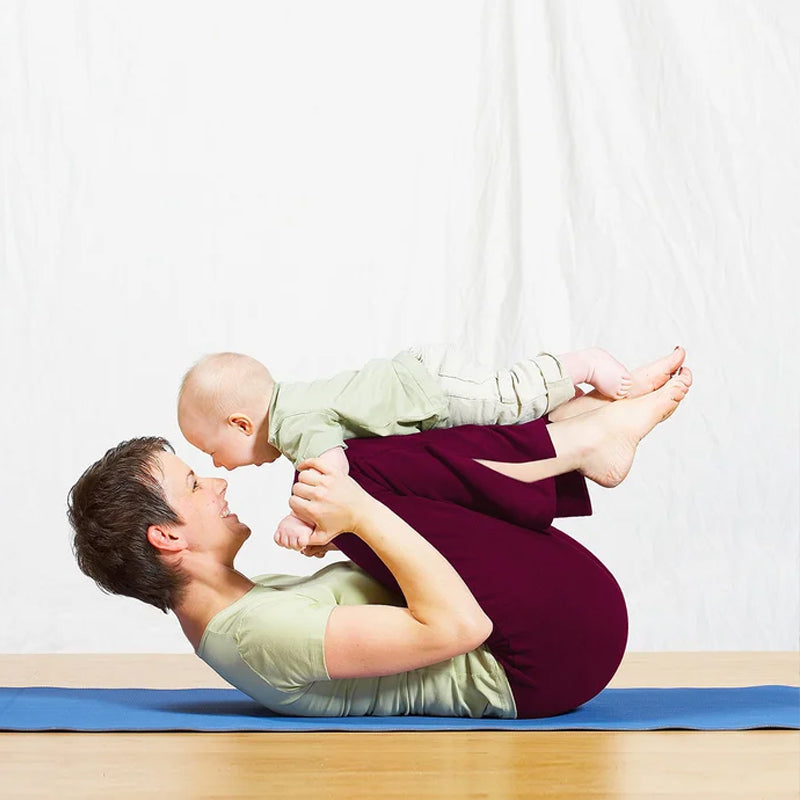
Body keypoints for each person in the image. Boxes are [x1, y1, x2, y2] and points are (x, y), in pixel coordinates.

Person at [68, 347, 691, 719]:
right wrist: (356, 518)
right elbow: (458, 628)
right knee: (347, 470)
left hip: (557, 637)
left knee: (342, 465)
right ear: (166, 538)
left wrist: (344, 528)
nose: (220, 483)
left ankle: (573, 432)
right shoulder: (254, 637)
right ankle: (573, 437)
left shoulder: (247, 610)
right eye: (194, 486)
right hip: (545, 660)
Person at [177, 343, 633, 551]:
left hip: (428, 390)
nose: (220, 466)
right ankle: (582, 411)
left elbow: (332, 465)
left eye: (213, 451)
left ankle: (586, 364)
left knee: (506, 398)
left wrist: (304, 515)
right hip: (421, 388)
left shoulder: (292, 422)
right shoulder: (293, 409)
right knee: (505, 423)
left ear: (240, 424)